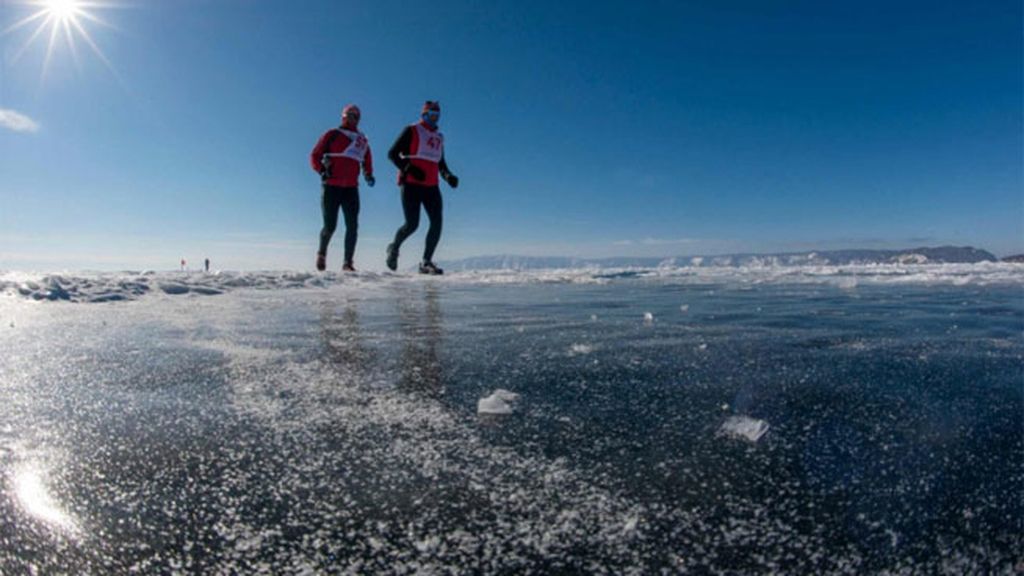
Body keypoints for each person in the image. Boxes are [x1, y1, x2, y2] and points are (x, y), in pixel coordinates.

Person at [385, 101, 459, 274]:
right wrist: (409, 168)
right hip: (411, 184)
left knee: (437, 222)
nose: (434, 118)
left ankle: (426, 262)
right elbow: (392, 154)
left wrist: (448, 176)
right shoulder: (412, 130)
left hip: (431, 186)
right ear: (424, 114)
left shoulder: (439, 137)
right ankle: (393, 247)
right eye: (430, 114)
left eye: (437, 115)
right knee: (412, 224)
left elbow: (440, 162)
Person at [310, 104, 375, 272]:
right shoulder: (332, 134)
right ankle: (322, 253)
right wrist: (321, 170)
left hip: (351, 188)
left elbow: (367, 158)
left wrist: (368, 174)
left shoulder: (362, 139)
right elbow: (315, 155)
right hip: (331, 186)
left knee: (352, 226)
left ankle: (348, 263)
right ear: (344, 116)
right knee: (330, 225)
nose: (353, 119)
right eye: (350, 115)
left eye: (356, 116)